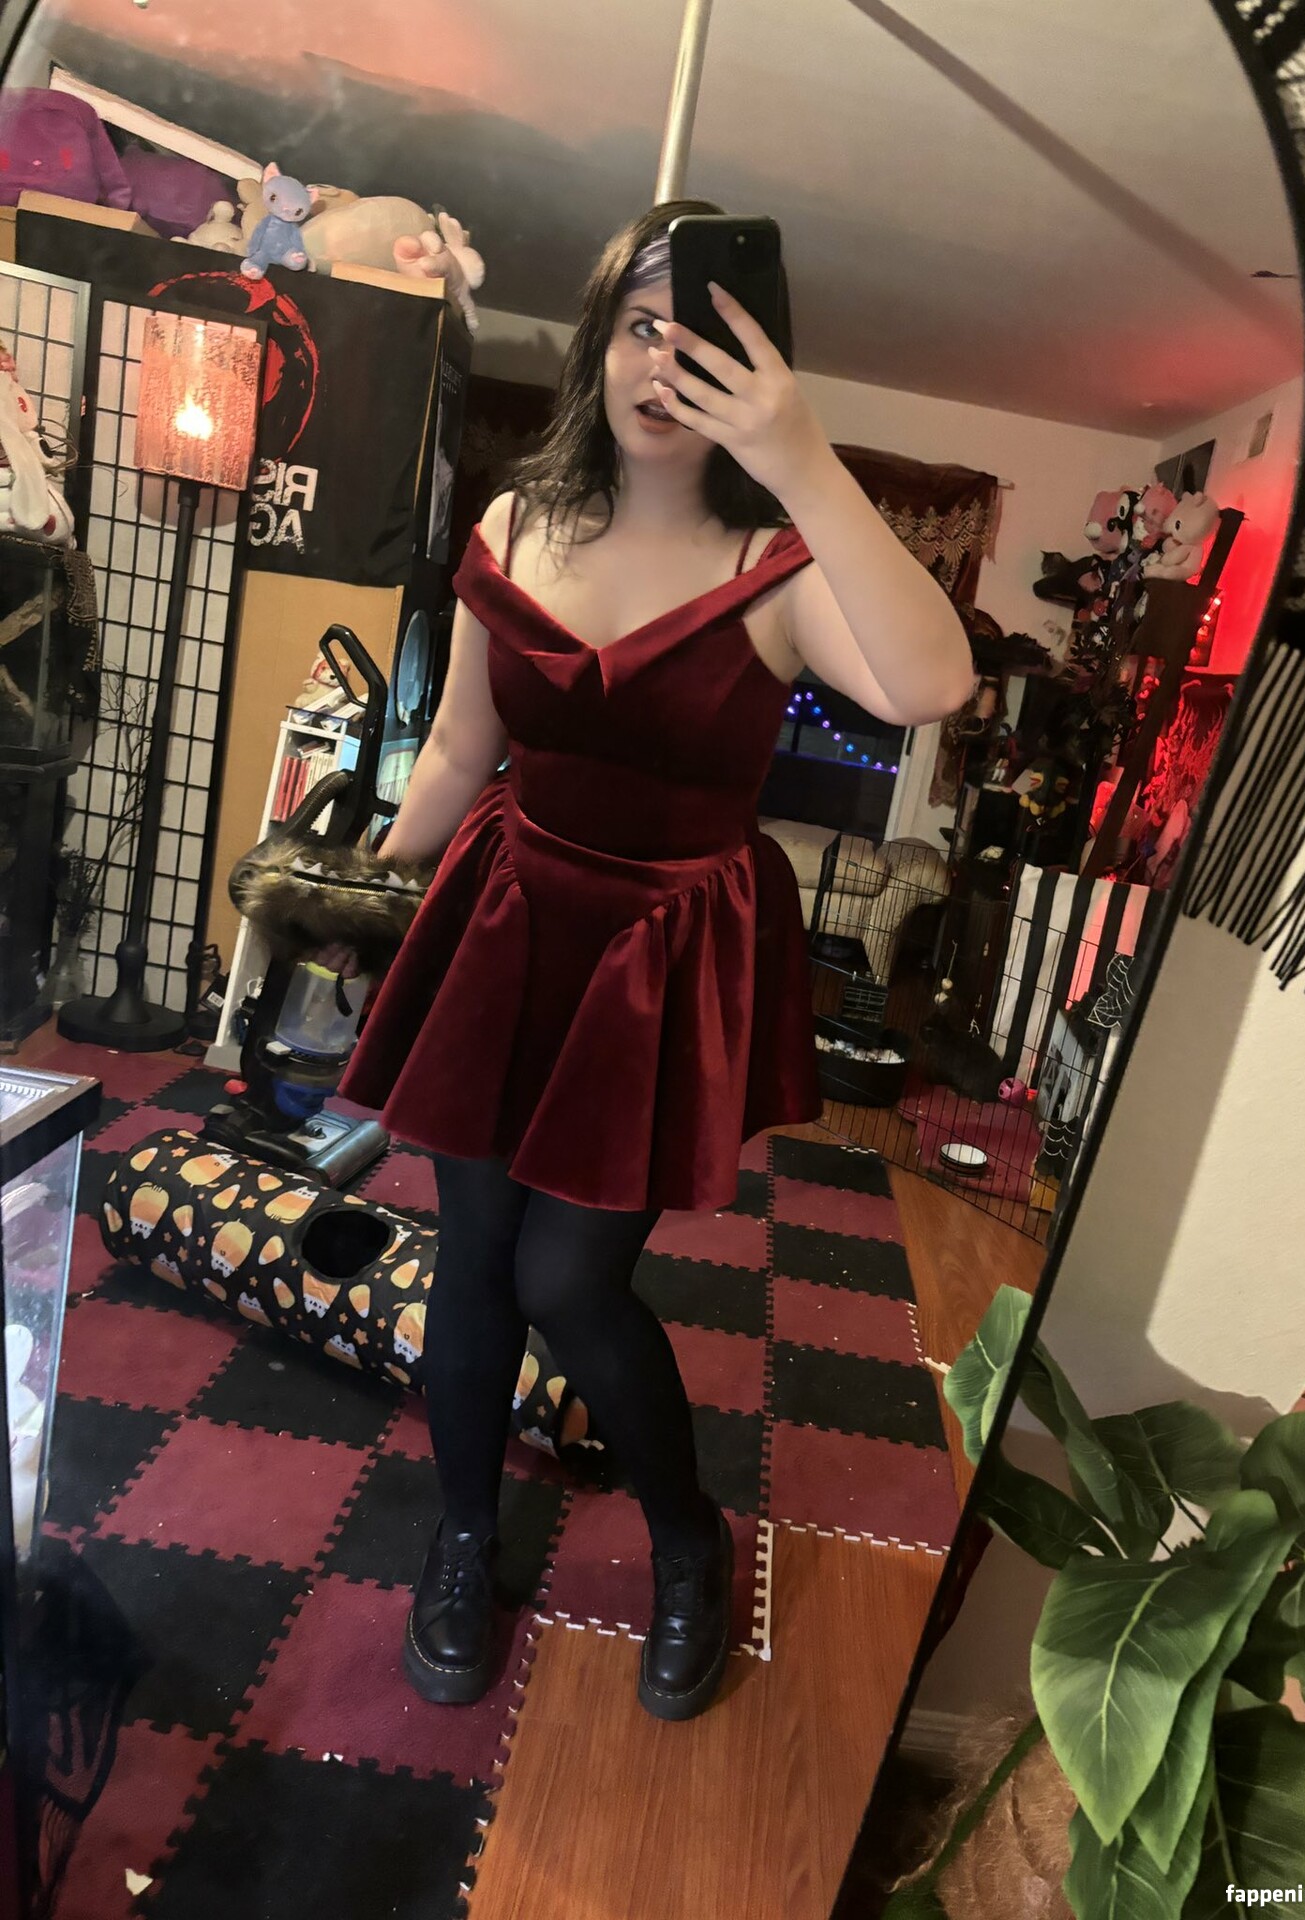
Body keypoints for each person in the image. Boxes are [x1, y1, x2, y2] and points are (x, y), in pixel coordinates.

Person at [336, 198, 974, 1723]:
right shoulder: (516, 524)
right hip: (506, 923)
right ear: (596, 343)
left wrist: (804, 457)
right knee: (474, 1265)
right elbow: (462, 746)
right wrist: (364, 879)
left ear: (761, 366)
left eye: (703, 336)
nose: (660, 362)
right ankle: (465, 1536)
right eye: (638, 323)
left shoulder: (780, 567)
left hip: (656, 958)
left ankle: (688, 1539)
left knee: (568, 1278)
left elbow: (933, 682)